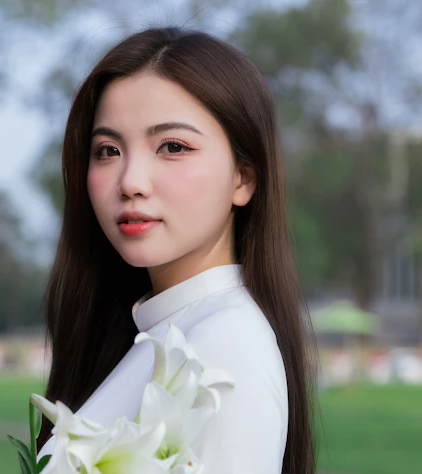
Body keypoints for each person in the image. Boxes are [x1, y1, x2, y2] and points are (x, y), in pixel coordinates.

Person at [35, 26, 317, 473]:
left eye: (172, 146)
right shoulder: (160, 333)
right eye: (107, 150)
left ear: (243, 179)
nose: (130, 181)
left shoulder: (226, 343)